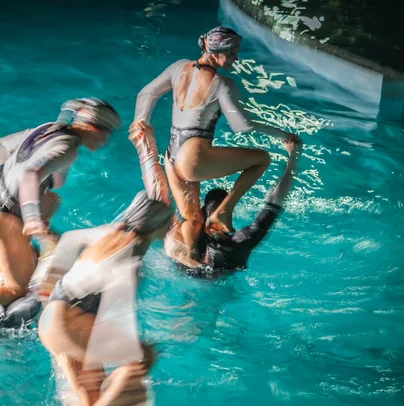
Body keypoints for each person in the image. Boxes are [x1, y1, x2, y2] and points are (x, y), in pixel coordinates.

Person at [0, 98, 122, 319]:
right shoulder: (66, 149)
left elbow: (5, 144)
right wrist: (32, 220)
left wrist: (8, 191)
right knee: (17, 291)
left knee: (51, 199)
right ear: (92, 127)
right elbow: (31, 175)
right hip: (0, 217)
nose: (105, 141)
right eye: (106, 133)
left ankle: (5, 257)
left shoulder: (46, 128)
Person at [129, 26, 300, 266]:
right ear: (218, 51)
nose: (236, 58)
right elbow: (242, 126)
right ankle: (224, 210)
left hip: (171, 156)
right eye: (232, 53)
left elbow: (147, 93)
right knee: (262, 159)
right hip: (193, 154)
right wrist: (282, 135)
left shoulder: (178, 68)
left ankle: (188, 259)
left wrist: (141, 121)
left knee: (192, 219)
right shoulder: (222, 84)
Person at [36, 191, 172, 406]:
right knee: (141, 358)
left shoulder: (112, 231)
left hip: (52, 319)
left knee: (90, 399)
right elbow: (115, 312)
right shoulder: (131, 255)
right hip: (68, 324)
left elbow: (71, 237)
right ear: (157, 225)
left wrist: (53, 272)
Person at [191, 138, 301, 273]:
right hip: (222, 285)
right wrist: (293, 158)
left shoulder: (193, 232)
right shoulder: (242, 242)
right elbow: (274, 203)